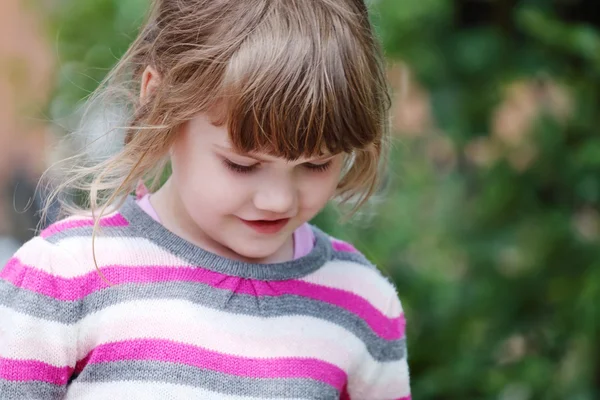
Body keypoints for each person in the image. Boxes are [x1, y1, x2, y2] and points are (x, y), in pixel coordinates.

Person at [0, 0, 411, 398]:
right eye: (242, 164)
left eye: (317, 165)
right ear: (160, 103)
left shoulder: (363, 303)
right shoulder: (65, 276)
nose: (278, 200)